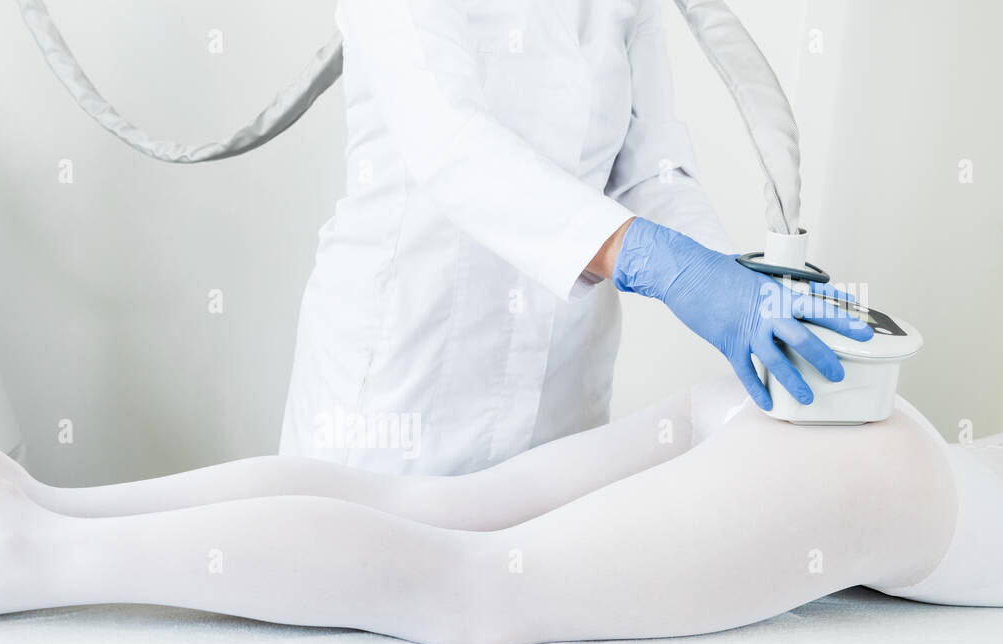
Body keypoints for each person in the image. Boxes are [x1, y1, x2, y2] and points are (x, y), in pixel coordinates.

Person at [0, 377, 1003, 644]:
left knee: (435, 507)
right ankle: (28, 550)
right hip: (891, 494)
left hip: (830, 433)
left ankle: (38, 500)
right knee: (477, 592)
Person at [278, 0, 873, 476]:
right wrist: (657, 261)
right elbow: (451, 145)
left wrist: (726, 274)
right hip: (399, 384)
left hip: (556, 398)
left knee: (537, 601)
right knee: (363, 587)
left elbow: (647, 166)